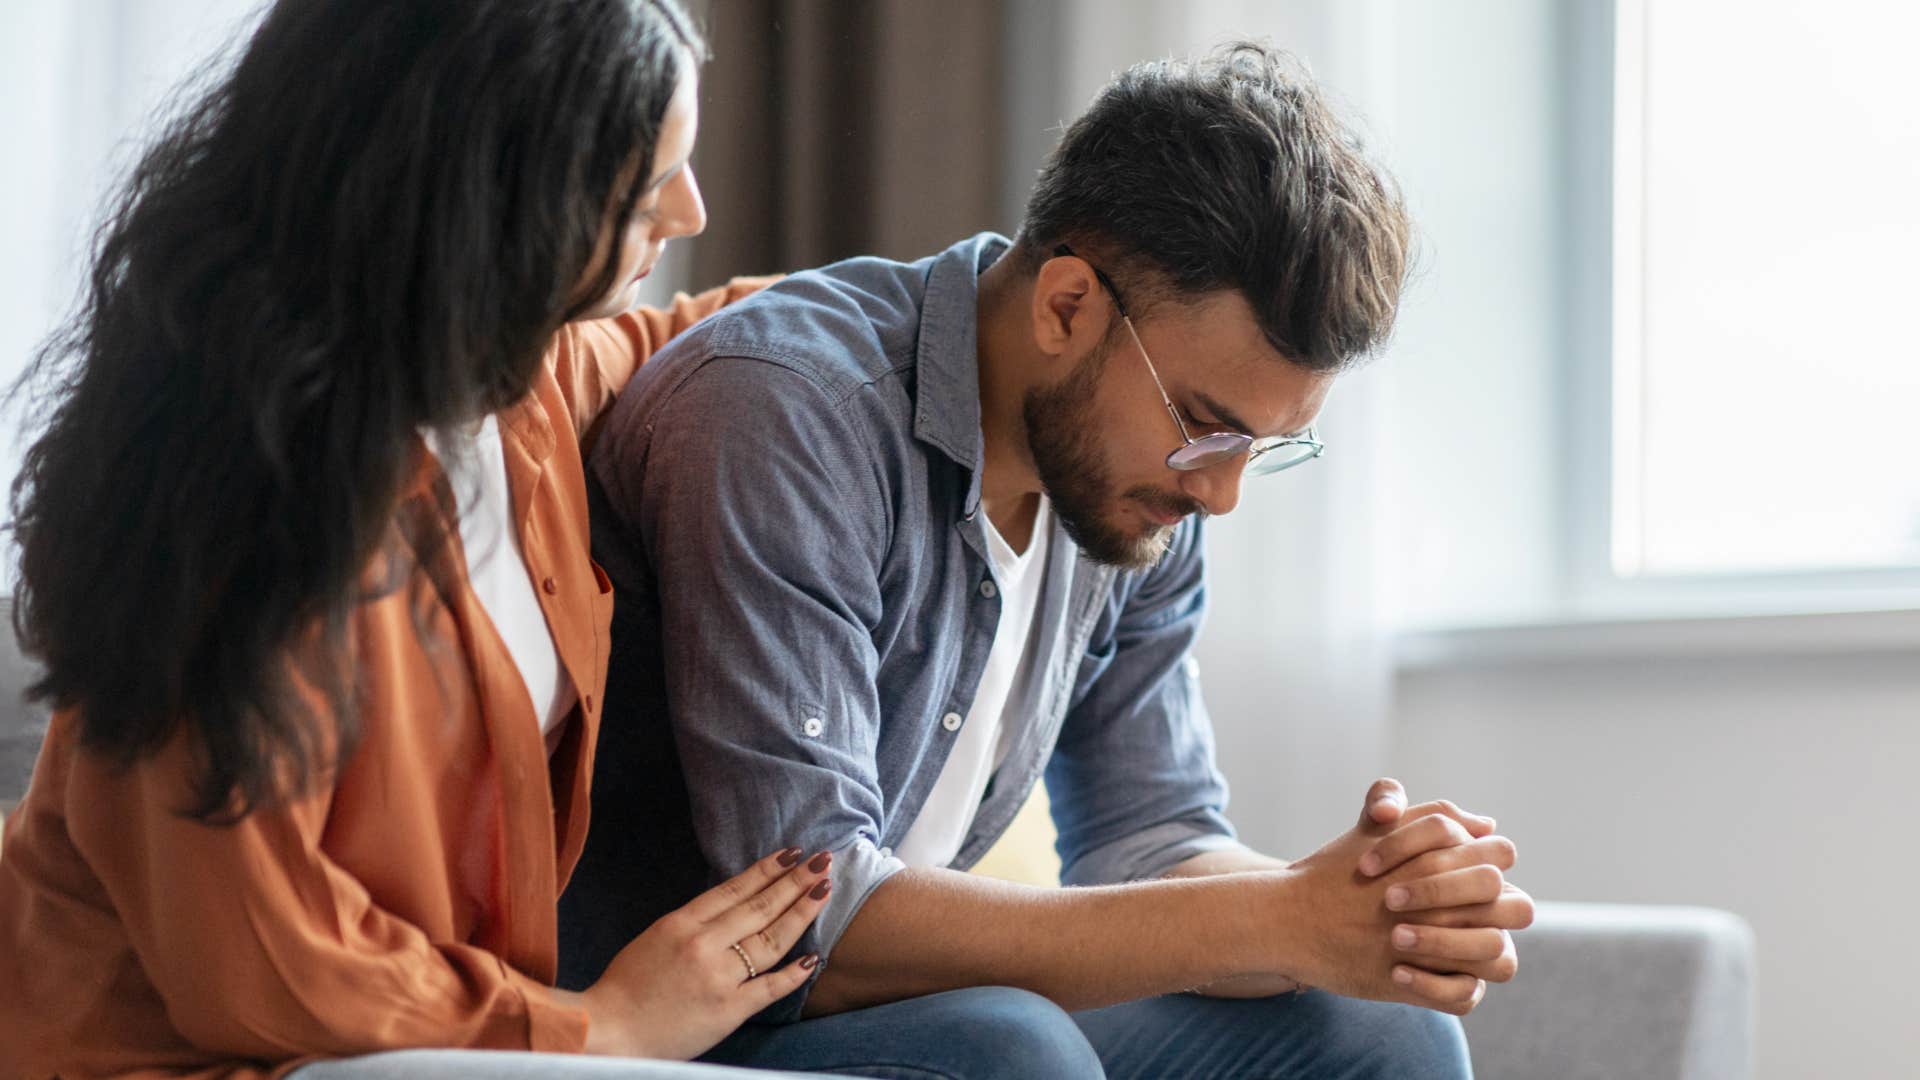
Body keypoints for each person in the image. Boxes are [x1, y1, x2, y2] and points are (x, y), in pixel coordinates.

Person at [563, 42, 1534, 1078]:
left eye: (1263, 448)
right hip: (690, 1022)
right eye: (1208, 429)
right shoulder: (786, 412)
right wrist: (1273, 919)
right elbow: (811, 920)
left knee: (1387, 1035)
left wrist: (1364, 910)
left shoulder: (1137, 494)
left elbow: (1153, 837)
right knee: (1016, 1052)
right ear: (1067, 304)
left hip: (912, 1019)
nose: (1221, 492)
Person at [0, 2, 826, 1077]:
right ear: (488, 188)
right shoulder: (239, 501)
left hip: (431, 1045)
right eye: (640, 182)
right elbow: (259, 963)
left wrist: (954, 310)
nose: (692, 210)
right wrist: (601, 1025)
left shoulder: (516, 390)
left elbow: (722, 332)